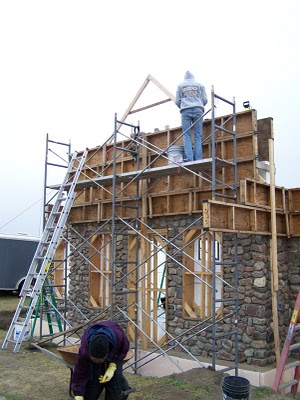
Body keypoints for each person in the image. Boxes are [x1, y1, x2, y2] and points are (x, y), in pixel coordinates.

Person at [71, 320, 131, 400]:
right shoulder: (85, 350)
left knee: (116, 383)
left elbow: (123, 351)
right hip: (94, 349)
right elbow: (80, 371)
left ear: (107, 354)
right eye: (95, 359)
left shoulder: (119, 337)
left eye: (100, 360)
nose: (98, 362)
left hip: (113, 350)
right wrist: (78, 393)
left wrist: (113, 365)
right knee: (93, 380)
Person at [175, 71, 208, 162]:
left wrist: (184, 105)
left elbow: (177, 101)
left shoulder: (180, 86)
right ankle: (198, 158)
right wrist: (199, 103)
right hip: (198, 110)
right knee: (198, 135)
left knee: (187, 135)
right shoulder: (199, 85)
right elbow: (205, 100)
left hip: (185, 110)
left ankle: (189, 158)